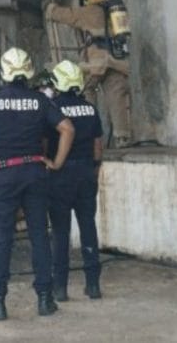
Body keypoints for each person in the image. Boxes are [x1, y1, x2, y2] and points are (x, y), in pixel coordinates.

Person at [0, 47, 74, 321]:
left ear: (4, 73)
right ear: (29, 71)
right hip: (35, 171)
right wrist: (55, 163)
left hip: (4, 174)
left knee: (2, 238)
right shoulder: (40, 100)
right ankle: (45, 300)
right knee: (38, 234)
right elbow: (67, 128)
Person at [44, 0, 133, 148]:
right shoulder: (114, 12)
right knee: (117, 96)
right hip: (116, 60)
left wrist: (49, 8)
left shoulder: (88, 12)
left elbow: (66, 15)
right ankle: (123, 138)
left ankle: (88, 133)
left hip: (96, 62)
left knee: (86, 91)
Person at [44, 59, 105, 301]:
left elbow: (46, 143)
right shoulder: (90, 108)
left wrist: (49, 165)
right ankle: (93, 286)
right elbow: (98, 145)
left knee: (60, 231)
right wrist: (95, 168)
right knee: (88, 226)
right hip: (86, 172)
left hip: (60, 174)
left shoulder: (52, 108)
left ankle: (60, 288)